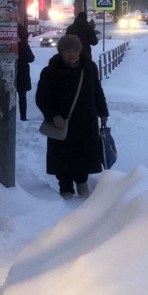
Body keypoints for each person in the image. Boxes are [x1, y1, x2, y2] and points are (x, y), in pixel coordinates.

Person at [36, 34, 109, 199]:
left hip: (86, 120)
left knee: (85, 153)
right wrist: (53, 115)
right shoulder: (50, 71)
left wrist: (103, 111)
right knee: (63, 154)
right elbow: (42, 97)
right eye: (67, 51)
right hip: (62, 121)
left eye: (75, 50)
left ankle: (82, 181)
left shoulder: (89, 68)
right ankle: (65, 186)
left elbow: (97, 91)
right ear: (61, 53)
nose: (72, 54)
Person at [16, 23, 35, 121]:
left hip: (11, 71)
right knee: (22, 96)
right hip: (22, 72)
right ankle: (23, 116)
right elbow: (31, 58)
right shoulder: (23, 44)